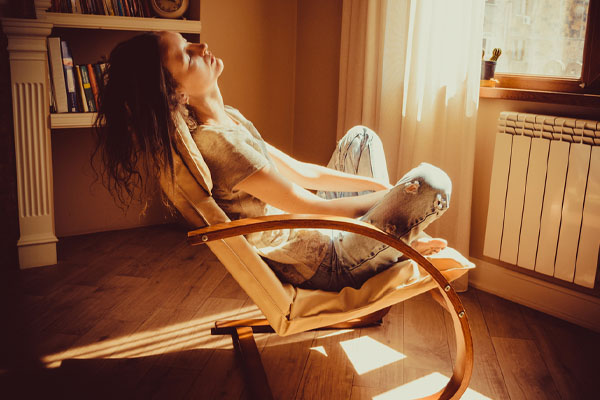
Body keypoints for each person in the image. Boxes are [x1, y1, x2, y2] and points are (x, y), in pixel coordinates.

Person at [93, 31, 452, 292]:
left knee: (361, 139)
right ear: (177, 93)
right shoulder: (217, 144)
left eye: (190, 42)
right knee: (432, 184)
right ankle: (393, 246)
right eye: (188, 55)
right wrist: (396, 198)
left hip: (324, 229)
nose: (201, 47)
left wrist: (386, 193)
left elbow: (302, 172)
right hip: (328, 262)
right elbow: (305, 203)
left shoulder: (228, 118)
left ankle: (392, 245)